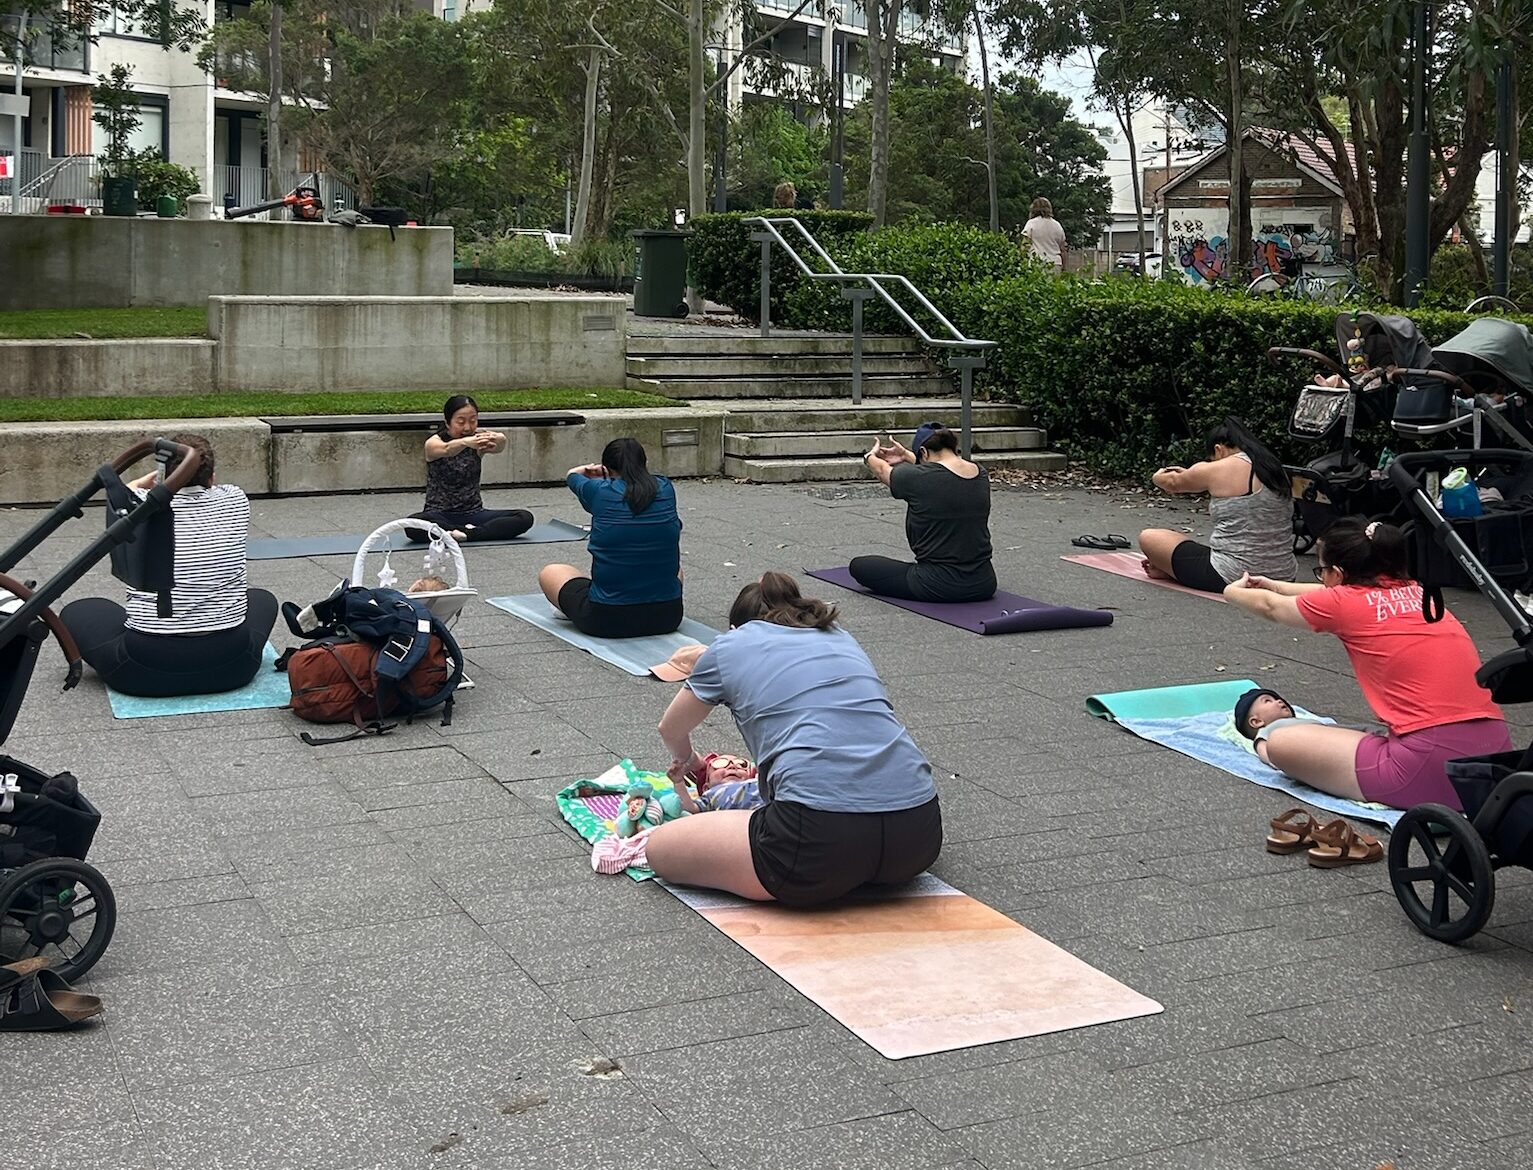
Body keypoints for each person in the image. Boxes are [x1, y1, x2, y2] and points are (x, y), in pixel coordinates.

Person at [645, 572, 942, 906]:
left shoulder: (730, 645)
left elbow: (670, 728)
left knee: (660, 848)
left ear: (735, 628)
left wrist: (691, 763)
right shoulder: (838, 634)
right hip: (918, 837)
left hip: (814, 847)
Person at [1224, 518, 1513, 811]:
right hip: (1491, 762)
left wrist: (1230, 592)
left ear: (1337, 573)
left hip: (1428, 768)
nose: (1321, 579)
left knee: (1281, 743)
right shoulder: (1419, 593)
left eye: (1322, 571)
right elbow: (1333, 596)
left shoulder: (1345, 603)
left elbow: (1270, 607)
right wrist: (1276, 585)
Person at [60, 434, 278, 698]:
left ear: (163, 475)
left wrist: (146, 483)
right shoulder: (236, 499)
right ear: (212, 476)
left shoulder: (138, 506)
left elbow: (120, 499)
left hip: (144, 669)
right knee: (263, 599)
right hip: (235, 665)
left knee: (77, 611)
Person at [538, 437, 683, 639]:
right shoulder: (666, 488)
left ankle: (570, 610)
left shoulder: (600, 491)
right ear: (643, 462)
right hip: (668, 616)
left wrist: (593, 471)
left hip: (607, 619)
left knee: (552, 572)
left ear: (608, 468)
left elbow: (572, 476)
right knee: (675, 570)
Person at [1138, 416, 1297, 592]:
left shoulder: (1218, 468)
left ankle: (1169, 570)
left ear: (1218, 449)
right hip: (1284, 576)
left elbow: (1173, 483)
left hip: (1230, 575)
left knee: (1149, 537)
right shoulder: (1272, 467)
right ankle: (1169, 570)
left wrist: (1157, 476)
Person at [851, 422, 996, 603]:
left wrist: (869, 456)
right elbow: (940, 473)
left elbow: (882, 470)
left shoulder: (918, 478)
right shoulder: (980, 473)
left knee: (860, 566)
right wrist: (906, 455)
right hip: (984, 583)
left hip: (937, 584)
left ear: (924, 453)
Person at [410, 395, 533, 544]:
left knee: (524, 517)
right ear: (447, 423)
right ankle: (460, 530)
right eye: (460, 422)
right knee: (414, 523)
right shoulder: (434, 442)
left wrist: (499, 438)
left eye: (473, 421)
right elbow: (447, 449)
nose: (467, 427)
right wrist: (465, 442)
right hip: (439, 514)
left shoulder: (477, 442)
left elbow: (500, 446)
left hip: (474, 513)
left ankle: (467, 533)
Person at [1022, 197, 1067, 272]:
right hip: (1055, 263)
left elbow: (1025, 245)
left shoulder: (1031, 223)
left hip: (1037, 262)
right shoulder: (1057, 225)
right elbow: (1063, 249)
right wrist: (1064, 267)